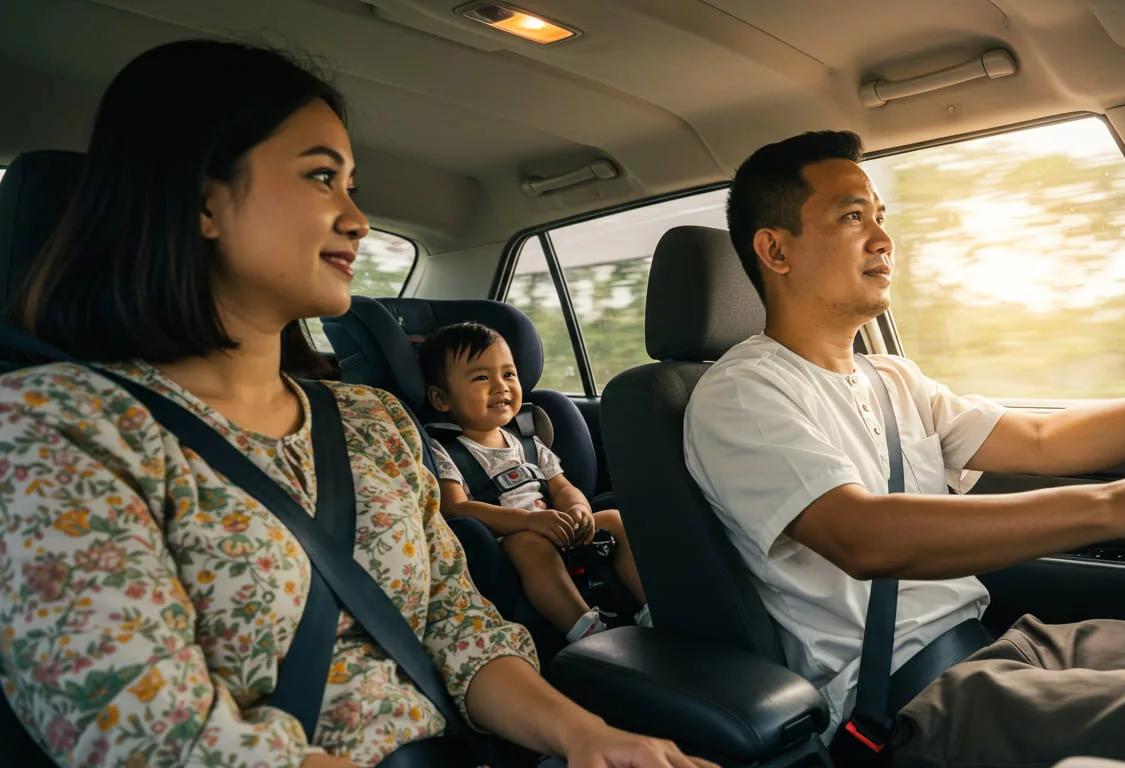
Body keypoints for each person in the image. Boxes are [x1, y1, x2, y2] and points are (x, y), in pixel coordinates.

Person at [0, 40, 709, 768]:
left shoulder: (373, 421)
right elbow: (154, 738)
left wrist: (588, 738)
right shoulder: (51, 429)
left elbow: (457, 626)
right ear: (202, 199)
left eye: (352, 186)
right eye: (320, 178)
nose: (357, 219)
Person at [683, 130, 1125, 767]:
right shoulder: (743, 394)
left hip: (998, 643)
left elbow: (1044, 439)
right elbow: (861, 535)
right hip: (903, 700)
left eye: (881, 215)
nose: (883, 238)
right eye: (851, 217)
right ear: (776, 250)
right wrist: (1122, 504)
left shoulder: (891, 377)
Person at [420, 322, 651, 641]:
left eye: (508, 374)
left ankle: (652, 606)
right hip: (507, 544)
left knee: (612, 518)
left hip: (556, 527)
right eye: (482, 378)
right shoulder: (443, 450)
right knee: (528, 544)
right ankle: (584, 628)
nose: (501, 386)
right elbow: (455, 508)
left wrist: (577, 509)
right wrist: (529, 521)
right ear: (440, 398)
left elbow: (561, 486)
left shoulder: (528, 442)